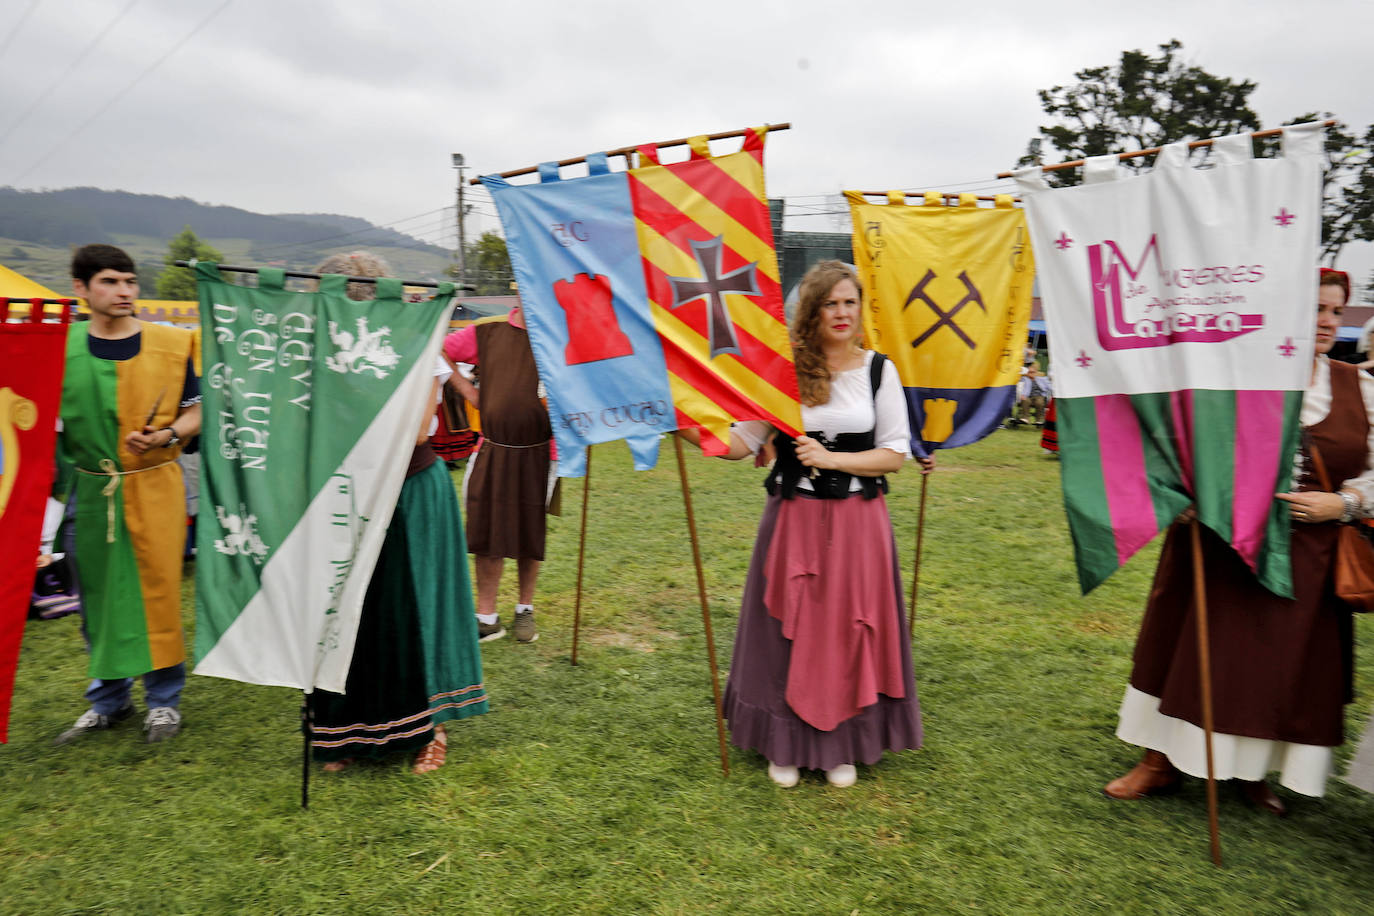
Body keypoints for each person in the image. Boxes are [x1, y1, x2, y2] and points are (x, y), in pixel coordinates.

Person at [1104, 268, 1372, 814]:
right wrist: (1183, 494)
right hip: (1223, 544)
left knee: (1278, 668)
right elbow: (1173, 447)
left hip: (1311, 555)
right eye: (1314, 309)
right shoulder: (1228, 374)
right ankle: (1158, 761)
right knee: (1191, 651)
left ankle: (1251, 771)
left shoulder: (1361, 388)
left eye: (1334, 313)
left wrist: (1341, 504)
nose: (1324, 322)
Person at [695, 260, 925, 788]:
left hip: (858, 524)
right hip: (794, 519)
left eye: (850, 302)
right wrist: (681, 420)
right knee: (786, 630)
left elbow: (893, 454)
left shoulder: (878, 371)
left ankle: (840, 741)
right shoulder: (783, 370)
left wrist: (831, 458)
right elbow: (740, 444)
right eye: (831, 303)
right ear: (812, 310)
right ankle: (785, 741)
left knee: (849, 628)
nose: (842, 312)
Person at [308, 252, 489, 773]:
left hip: (409, 486)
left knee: (423, 606)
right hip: (346, 492)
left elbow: (412, 430)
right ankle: (346, 731)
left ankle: (434, 725)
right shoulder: (322, 351)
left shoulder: (415, 347)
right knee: (350, 611)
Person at [54, 244, 201, 744]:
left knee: (157, 593)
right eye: (110, 282)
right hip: (90, 491)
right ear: (81, 288)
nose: (123, 291)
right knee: (96, 598)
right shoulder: (59, 347)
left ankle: (163, 702)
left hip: (154, 483)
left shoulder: (171, 344)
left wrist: (168, 435)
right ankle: (108, 701)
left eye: (130, 282)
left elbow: (196, 409)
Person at [443, 302, 554, 644]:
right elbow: (436, 347)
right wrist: (468, 391)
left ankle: (525, 609)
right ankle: (486, 616)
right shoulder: (487, 331)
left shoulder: (559, 333)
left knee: (528, 531)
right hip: (493, 446)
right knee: (487, 531)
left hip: (542, 450)